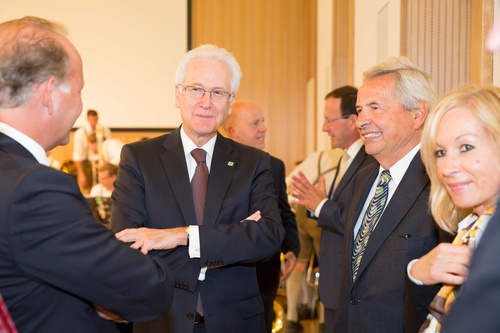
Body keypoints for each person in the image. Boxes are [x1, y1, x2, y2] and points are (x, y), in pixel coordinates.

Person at [0, 16, 173, 332]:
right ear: (50, 94)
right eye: (78, 90)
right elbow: (147, 288)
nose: (80, 104)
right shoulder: (33, 188)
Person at [110, 44, 286, 333]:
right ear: (178, 94)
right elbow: (129, 243)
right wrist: (232, 240)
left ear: (230, 103)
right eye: (196, 90)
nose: (206, 102)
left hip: (236, 322)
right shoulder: (139, 158)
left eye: (218, 92)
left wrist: (181, 236)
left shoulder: (253, 162)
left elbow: (268, 237)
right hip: (163, 318)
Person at [332, 57, 452, 333]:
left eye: (375, 108)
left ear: (417, 114)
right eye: (360, 110)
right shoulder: (362, 178)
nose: (361, 121)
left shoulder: (443, 183)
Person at [406, 86, 500, 332]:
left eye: (466, 147)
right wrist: (418, 274)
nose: (447, 168)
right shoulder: (469, 227)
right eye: (440, 152)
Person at [290, 86, 375, 332]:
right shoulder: (345, 158)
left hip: (348, 283)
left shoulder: (369, 162)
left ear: (352, 121)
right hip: (334, 281)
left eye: (329, 120)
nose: (324, 128)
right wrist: (315, 204)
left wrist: (321, 205)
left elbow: (361, 222)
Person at [223, 100, 300, 333]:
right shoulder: (213, 168)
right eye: (255, 123)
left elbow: (284, 214)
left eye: (263, 121)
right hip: (224, 275)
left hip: (264, 277)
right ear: (233, 131)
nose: (263, 128)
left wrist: (291, 249)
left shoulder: (274, 166)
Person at [73, 109, 111, 192]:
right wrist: (81, 173)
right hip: (87, 164)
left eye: (96, 120)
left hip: (102, 162)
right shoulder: (80, 133)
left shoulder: (105, 131)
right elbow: (77, 155)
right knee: (87, 188)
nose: (94, 123)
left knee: (104, 188)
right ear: (87, 119)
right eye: (91, 120)